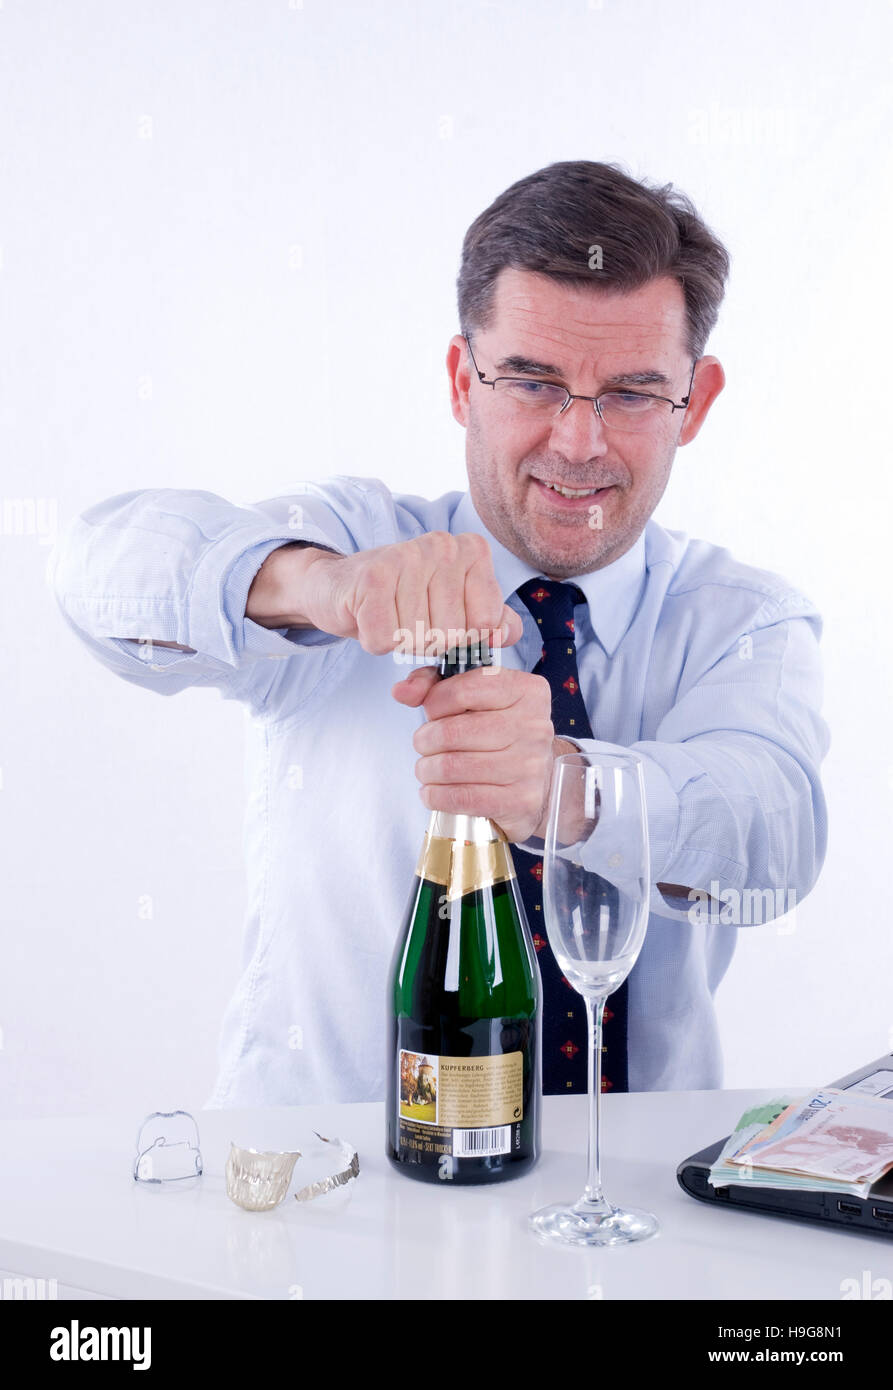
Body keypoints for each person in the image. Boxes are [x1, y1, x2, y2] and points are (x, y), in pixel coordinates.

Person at [49, 160, 829, 1107]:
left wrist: (561, 787)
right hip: (327, 1191)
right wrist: (315, 584)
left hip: (621, 1201)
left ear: (694, 404)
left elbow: (773, 838)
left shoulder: (742, 618)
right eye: (532, 383)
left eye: (629, 394)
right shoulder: (358, 541)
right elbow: (95, 572)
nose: (578, 443)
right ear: (463, 381)